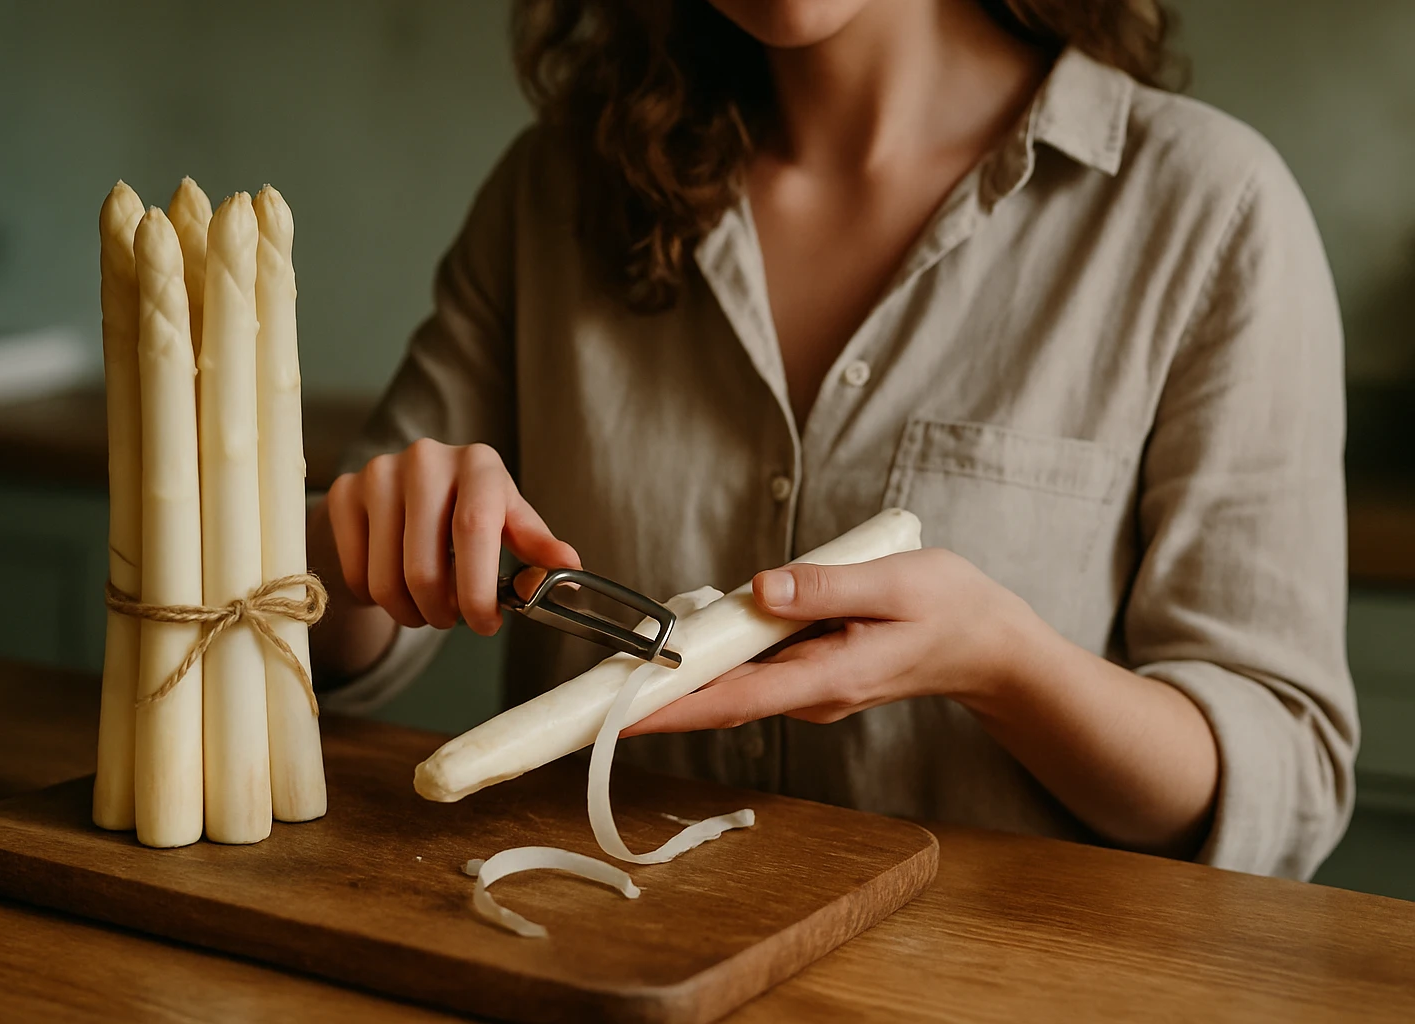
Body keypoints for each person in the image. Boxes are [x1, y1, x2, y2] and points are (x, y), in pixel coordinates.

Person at [306, 0, 1357, 880]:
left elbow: (1284, 779)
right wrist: (350, 552)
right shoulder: (549, 194)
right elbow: (314, 626)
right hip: (580, 966)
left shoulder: (1210, 211)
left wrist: (1006, 665)